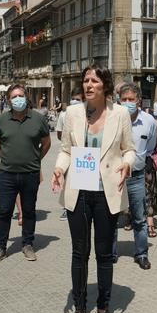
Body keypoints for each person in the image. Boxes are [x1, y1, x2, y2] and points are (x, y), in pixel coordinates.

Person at [52, 64, 134, 313]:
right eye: (85, 80)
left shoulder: (120, 114)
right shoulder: (72, 113)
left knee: (104, 255)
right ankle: (79, 309)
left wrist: (127, 164)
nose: (88, 85)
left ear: (105, 86)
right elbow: (65, 151)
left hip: (106, 193)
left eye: (94, 81)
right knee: (79, 253)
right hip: (79, 191)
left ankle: (102, 308)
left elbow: (129, 149)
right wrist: (59, 169)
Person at [0, 84, 51, 264]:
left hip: (30, 174)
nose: (18, 99)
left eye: (21, 95)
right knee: (5, 211)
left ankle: (27, 244)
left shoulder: (38, 119)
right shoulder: (2, 120)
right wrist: (6, 158)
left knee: (29, 211)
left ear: (26, 97)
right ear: (9, 100)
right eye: (14, 97)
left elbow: (46, 143)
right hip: (7, 174)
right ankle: (0, 247)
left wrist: (36, 159)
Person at [115, 83, 157, 270]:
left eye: (131, 99)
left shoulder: (149, 121)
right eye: (124, 100)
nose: (127, 103)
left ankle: (141, 253)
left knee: (139, 218)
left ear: (139, 101)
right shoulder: (112, 118)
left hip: (137, 176)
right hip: (114, 177)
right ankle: (111, 253)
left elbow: (150, 147)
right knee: (112, 217)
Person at [55, 87, 84, 221]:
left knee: (82, 184)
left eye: (78, 99)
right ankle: (67, 208)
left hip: (84, 155)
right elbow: (60, 134)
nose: (74, 101)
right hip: (70, 153)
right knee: (68, 181)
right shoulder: (64, 114)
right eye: (73, 99)